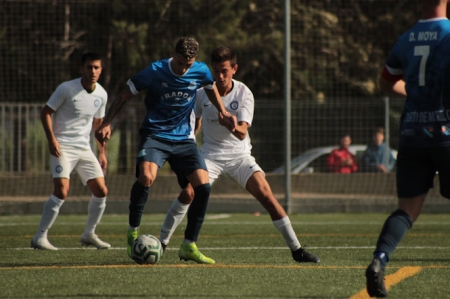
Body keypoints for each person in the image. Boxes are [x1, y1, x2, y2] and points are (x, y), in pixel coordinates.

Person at [159, 46, 320, 263]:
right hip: (210, 156)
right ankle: (161, 244)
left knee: (267, 195)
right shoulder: (202, 92)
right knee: (188, 192)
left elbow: (243, 132)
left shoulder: (244, 93)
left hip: (239, 156)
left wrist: (232, 126)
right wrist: (189, 142)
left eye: (225, 70)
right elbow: (194, 120)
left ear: (235, 68)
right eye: (216, 71)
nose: (221, 76)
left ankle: (297, 250)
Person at [95, 37, 236, 264]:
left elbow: (210, 89)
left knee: (203, 187)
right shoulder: (155, 70)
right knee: (146, 177)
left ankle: (189, 245)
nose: (183, 68)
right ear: (174, 54)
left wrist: (222, 112)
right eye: (180, 63)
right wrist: (106, 122)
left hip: (183, 140)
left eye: (188, 65)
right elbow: (124, 95)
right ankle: (132, 231)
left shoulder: (200, 71)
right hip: (155, 136)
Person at [365, 0, 450, 297]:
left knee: (407, 210)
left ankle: (379, 260)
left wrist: (413, 92)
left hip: (412, 133)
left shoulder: (407, 37)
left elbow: (386, 83)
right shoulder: (448, 33)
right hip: (446, 133)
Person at [31, 52, 110, 250]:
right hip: (62, 146)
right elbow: (46, 113)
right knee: (62, 190)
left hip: (84, 148)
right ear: (81, 69)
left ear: (101, 70)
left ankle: (89, 234)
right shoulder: (66, 89)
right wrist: (52, 140)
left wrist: (102, 152)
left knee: (101, 191)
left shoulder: (101, 94)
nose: (92, 71)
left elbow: (98, 125)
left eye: (96, 67)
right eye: (89, 67)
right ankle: (39, 237)